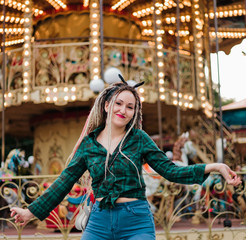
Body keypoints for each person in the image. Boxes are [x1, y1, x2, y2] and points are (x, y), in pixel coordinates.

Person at [11, 75, 241, 240]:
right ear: (107, 105)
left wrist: (216, 166)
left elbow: (171, 171)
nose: (123, 110)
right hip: (99, 221)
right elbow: (64, 182)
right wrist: (30, 211)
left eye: (130, 107)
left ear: (134, 112)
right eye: (119, 103)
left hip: (136, 220)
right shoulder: (89, 144)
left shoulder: (139, 139)